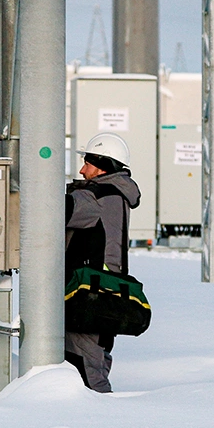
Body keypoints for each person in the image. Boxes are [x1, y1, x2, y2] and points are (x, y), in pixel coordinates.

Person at [63, 132, 141, 392]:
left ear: (102, 166)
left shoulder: (96, 197)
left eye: (87, 163)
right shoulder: (113, 195)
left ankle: (101, 419)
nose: (82, 170)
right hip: (103, 296)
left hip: (88, 298)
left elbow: (53, 209)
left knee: (85, 371)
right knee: (95, 362)